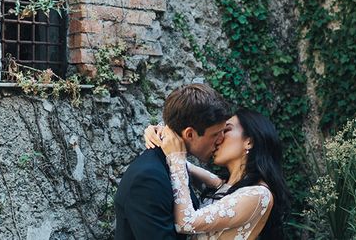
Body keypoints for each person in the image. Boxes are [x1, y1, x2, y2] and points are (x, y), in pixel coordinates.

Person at [146, 109, 288, 240]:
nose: (219, 138)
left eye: (226, 130)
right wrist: (161, 134)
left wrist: (176, 156)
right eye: (217, 132)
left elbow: (186, 223)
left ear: (249, 142)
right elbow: (186, 166)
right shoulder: (226, 185)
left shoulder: (259, 195)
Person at [114, 83, 232, 240]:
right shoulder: (149, 178)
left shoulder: (173, 164)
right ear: (189, 134)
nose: (221, 140)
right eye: (216, 134)